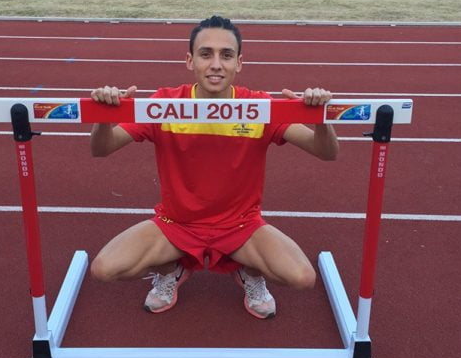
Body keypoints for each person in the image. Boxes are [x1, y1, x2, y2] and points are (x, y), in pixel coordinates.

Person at [89, 16, 339, 319]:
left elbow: (326, 153)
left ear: (239, 63)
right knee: (104, 269)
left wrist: (320, 120)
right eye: (206, 54)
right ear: (190, 60)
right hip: (177, 223)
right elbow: (102, 149)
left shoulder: (258, 106)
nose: (216, 64)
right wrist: (103, 117)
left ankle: (250, 272)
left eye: (226, 55)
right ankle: (171, 270)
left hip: (241, 225)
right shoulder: (165, 103)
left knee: (302, 277)